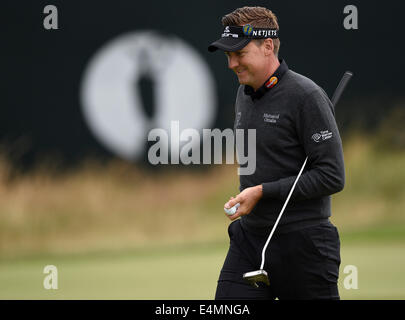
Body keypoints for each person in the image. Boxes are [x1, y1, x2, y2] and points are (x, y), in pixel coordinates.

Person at [208, 6, 345, 300]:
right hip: (250, 241)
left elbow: (332, 176)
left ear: (267, 46)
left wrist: (263, 191)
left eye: (239, 54)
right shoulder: (243, 93)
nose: (231, 63)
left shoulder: (306, 96)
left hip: (305, 246)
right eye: (227, 56)